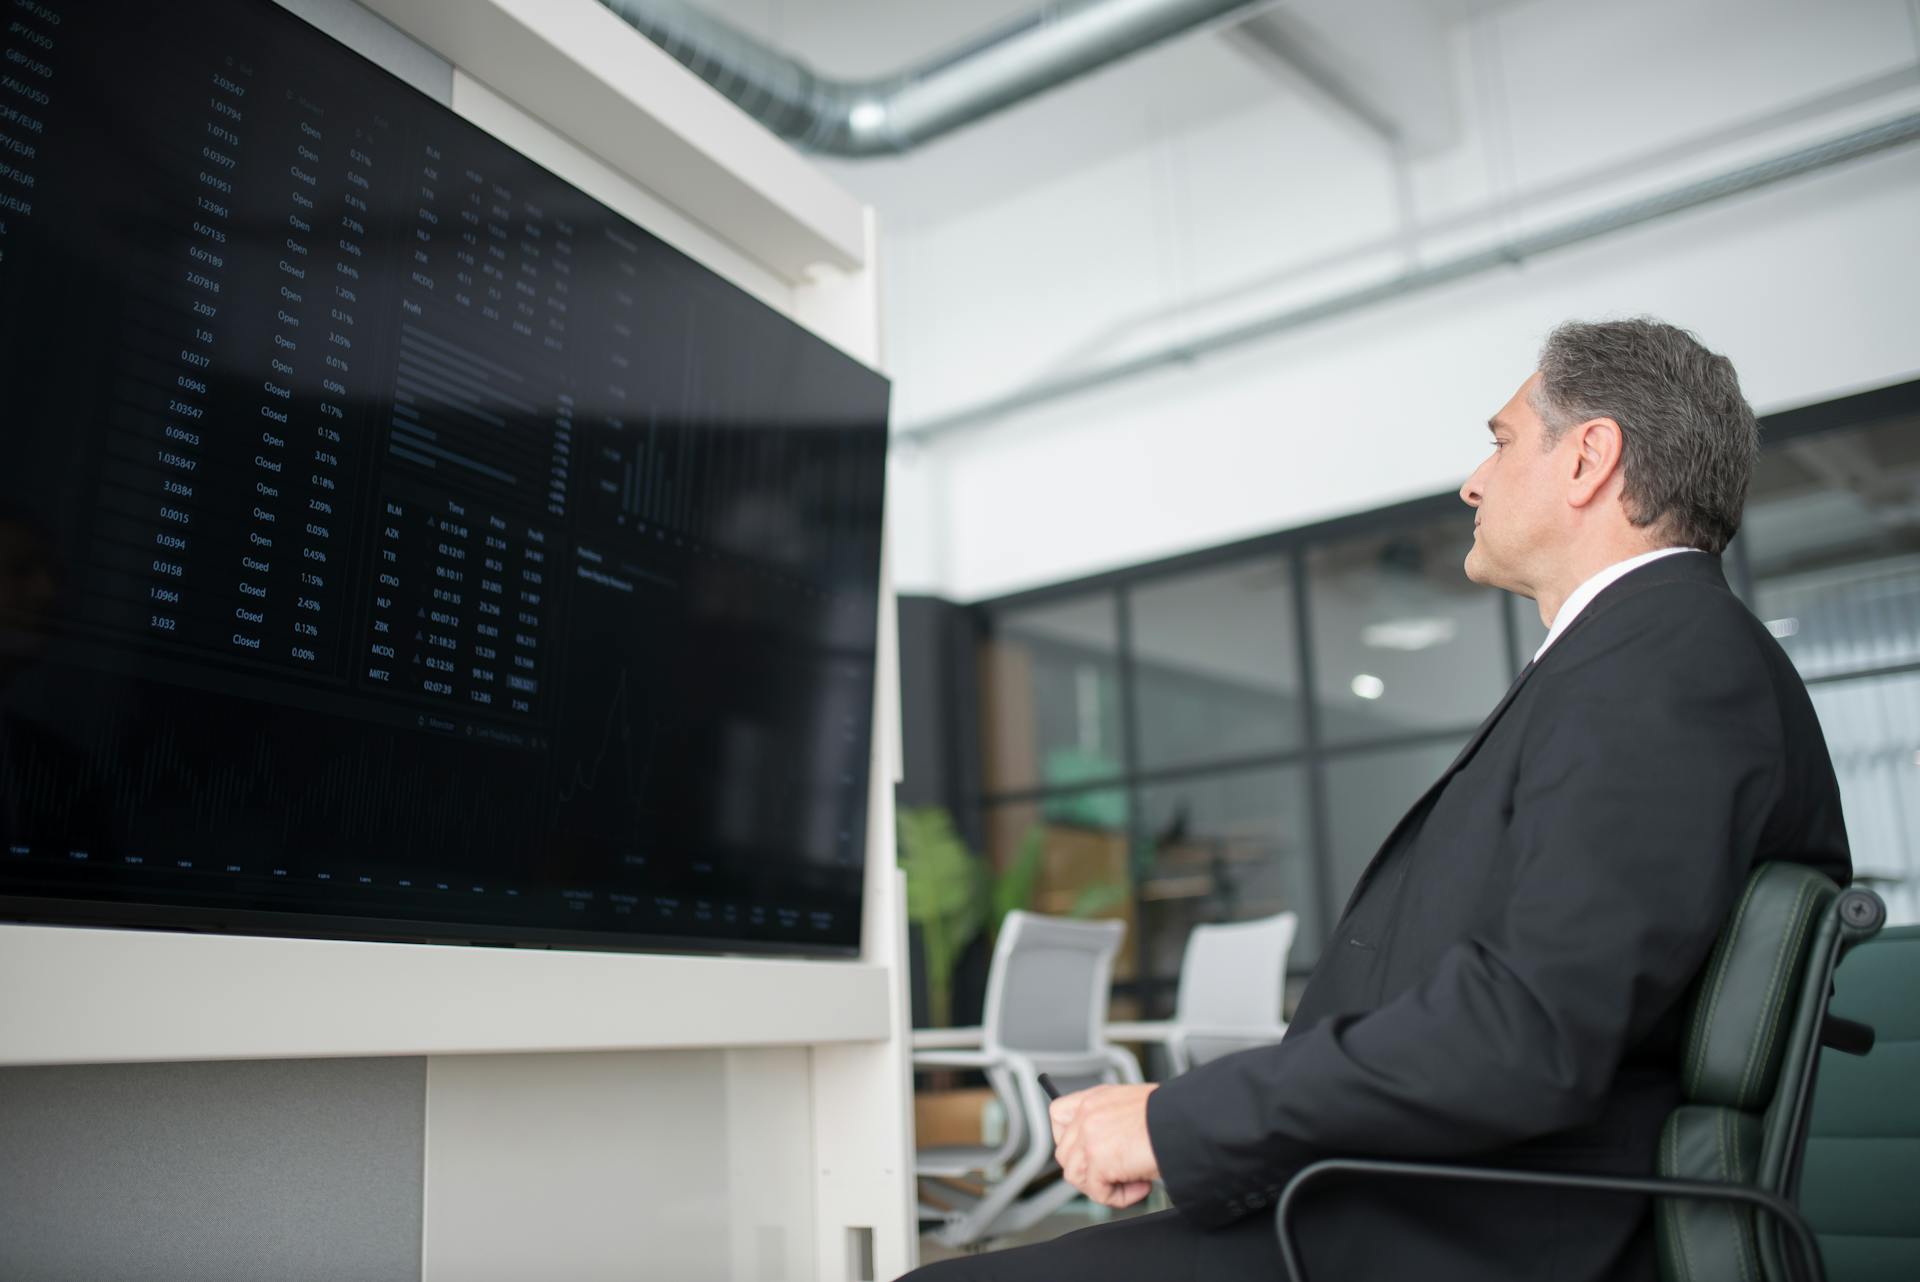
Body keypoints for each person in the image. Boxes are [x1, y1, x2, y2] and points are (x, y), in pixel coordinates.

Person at [900, 318, 1852, 1282]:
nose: (1474, 480)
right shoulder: (1645, 657)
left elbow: (1525, 1033)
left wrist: (1175, 1119)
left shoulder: (1663, 667)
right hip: (1426, 1200)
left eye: (1503, 439)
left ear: (1590, 459)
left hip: (1473, 1231)